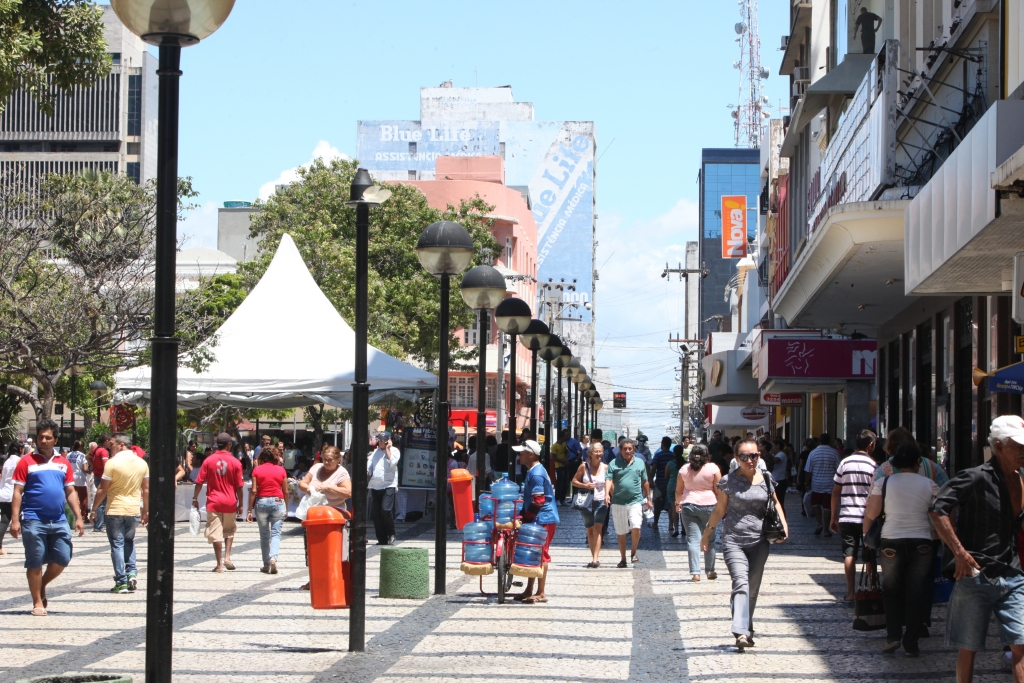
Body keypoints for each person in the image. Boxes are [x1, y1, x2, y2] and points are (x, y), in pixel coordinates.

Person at [929, 415, 1024, 682]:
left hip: (1013, 573)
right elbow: (938, 509)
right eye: (1018, 445)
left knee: (1021, 645)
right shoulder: (975, 477)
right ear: (999, 445)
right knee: (969, 648)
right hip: (977, 574)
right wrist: (959, 552)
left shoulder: (1022, 478)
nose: (1023, 451)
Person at [701, 438, 788, 651]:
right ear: (736, 458)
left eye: (754, 455)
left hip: (760, 541)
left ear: (759, 456)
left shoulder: (766, 478)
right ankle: (740, 632)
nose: (750, 460)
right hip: (733, 540)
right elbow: (720, 510)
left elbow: (775, 502)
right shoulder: (729, 481)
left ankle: (747, 627)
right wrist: (707, 533)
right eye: (745, 456)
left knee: (753, 587)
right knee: (740, 582)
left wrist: (784, 526)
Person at [861, 442, 938, 656]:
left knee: (891, 589)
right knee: (917, 591)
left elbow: (872, 514)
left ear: (894, 463)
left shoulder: (883, 484)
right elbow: (940, 516)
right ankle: (911, 641)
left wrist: (866, 540)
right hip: (921, 541)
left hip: (891, 540)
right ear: (917, 462)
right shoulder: (930, 485)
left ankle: (893, 636)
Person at [9, 420, 85, 616]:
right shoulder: (26, 461)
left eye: (48, 437)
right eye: (40, 437)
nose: (43, 440)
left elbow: (70, 491)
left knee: (63, 557)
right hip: (33, 519)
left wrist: (78, 517)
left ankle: (41, 585)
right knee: (35, 561)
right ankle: (37, 602)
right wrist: (15, 520)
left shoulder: (63, 462)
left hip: (59, 520)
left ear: (56, 440)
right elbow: (17, 491)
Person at [91, 433, 149, 593]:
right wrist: (146, 510)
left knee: (117, 544)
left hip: (115, 509)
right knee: (129, 541)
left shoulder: (112, 463)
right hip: (133, 509)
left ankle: (121, 581)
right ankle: (132, 572)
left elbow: (102, 488)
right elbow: (146, 489)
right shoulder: (141, 463)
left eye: (113, 444)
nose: (110, 448)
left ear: (122, 444)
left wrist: (94, 509)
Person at [829, 429, 879, 602]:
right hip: (868, 518)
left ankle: (850, 593)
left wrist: (833, 517)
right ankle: (872, 589)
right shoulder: (874, 466)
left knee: (849, 554)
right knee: (869, 554)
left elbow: (835, 492)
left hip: (847, 516)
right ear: (871, 445)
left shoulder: (845, 463)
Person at [514, 439, 558, 603]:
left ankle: (541, 592)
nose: (519, 455)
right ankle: (529, 589)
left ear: (530, 454)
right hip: (538, 518)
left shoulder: (537, 473)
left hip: (543, 518)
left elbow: (539, 500)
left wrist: (526, 517)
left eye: (522, 452)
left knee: (542, 555)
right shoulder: (533, 470)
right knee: (534, 554)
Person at [192, 433, 243, 573]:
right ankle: (227, 557)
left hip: (214, 501)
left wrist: (195, 499)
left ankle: (219, 564)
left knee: (215, 533)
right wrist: (241, 504)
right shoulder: (236, 462)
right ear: (229, 445)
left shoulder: (209, 461)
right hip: (230, 502)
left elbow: (199, 482)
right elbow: (239, 486)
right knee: (229, 531)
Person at [677, 444, 722, 581]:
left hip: (689, 505)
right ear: (707, 455)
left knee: (693, 540)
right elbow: (718, 490)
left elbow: (679, 490)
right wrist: (721, 506)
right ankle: (710, 571)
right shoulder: (713, 468)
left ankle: (695, 573)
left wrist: (677, 503)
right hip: (710, 506)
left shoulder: (684, 469)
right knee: (710, 538)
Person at [605, 439, 652, 568]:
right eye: (625, 448)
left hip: (635, 501)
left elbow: (645, 481)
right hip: (618, 502)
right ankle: (623, 558)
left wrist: (648, 498)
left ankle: (633, 553)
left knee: (636, 526)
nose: (627, 451)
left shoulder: (640, 463)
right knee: (621, 532)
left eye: (630, 448)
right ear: (620, 450)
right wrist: (606, 494)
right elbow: (609, 479)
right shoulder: (614, 463)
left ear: (634, 450)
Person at [247, 445, 289, 574]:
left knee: (264, 535)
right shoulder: (281, 470)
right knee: (276, 533)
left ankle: (266, 564)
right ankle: (273, 558)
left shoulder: (257, 470)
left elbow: (254, 491)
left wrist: (249, 510)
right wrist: (286, 508)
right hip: (278, 501)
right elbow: (286, 491)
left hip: (262, 502)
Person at [572, 441, 608, 568]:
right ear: (590, 453)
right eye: (596, 451)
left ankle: (595, 558)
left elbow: (610, 483)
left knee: (598, 529)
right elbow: (574, 481)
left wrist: (610, 495)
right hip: (586, 502)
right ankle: (594, 556)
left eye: (600, 451)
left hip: (601, 502)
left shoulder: (605, 467)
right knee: (590, 530)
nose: (599, 454)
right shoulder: (583, 466)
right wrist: (585, 485)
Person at [874, 427, 948, 487]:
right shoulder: (932, 466)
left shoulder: (883, 470)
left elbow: (871, 499)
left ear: (889, 448)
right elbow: (946, 491)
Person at [367, 430, 400, 546]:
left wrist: (387, 449)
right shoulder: (375, 453)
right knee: (376, 514)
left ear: (388, 440)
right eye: (380, 440)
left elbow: (392, 463)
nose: (381, 443)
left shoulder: (395, 451)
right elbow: (369, 466)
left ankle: (391, 533)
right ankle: (381, 539)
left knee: (385, 510)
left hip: (389, 484)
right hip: (376, 485)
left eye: (383, 441)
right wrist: (367, 471)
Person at [804, 433, 840, 537]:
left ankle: (819, 523)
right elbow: (839, 469)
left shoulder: (813, 453)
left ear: (819, 441)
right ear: (830, 441)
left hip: (816, 484)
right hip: (830, 484)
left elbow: (808, 470)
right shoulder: (834, 453)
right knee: (827, 507)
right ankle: (825, 529)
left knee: (815, 504)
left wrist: (807, 483)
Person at [0, 442, 22, 556]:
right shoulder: (19, 461)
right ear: (20, 449)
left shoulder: (7, 461)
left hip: (4, 493)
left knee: (4, 520)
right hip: (13, 494)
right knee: (24, 518)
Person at [650, 436, 676, 530]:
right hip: (671, 483)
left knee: (657, 503)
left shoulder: (658, 455)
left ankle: (655, 523)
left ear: (662, 444)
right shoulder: (673, 455)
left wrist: (650, 479)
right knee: (670, 504)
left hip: (660, 483)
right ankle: (670, 525)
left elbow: (654, 468)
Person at [90, 433, 112, 531]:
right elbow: (106, 465)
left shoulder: (96, 450)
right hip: (103, 477)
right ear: (106, 441)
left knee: (101, 500)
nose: (111, 443)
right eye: (110, 441)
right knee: (102, 502)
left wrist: (94, 466)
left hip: (97, 476)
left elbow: (87, 457)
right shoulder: (103, 451)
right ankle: (99, 525)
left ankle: (100, 524)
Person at [666, 445, 686, 537]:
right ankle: (683, 529)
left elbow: (666, 476)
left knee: (674, 509)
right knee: (682, 508)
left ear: (674, 453)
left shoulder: (669, 463)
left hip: (672, 484)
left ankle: (676, 529)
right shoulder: (686, 464)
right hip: (683, 486)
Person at [550, 429, 571, 506]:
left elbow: (567, 452)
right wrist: (563, 461)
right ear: (561, 437)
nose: (567, 437)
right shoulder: (554, 446)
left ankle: (562, 499)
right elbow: (553, 457)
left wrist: (566, 459)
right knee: (559, 483)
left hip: (565, 465)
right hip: (559, 466)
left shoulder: (564, 444)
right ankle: (557, 499)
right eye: (566, 435)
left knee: (566, 483)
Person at [769, 438, 788, 518]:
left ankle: (782, 518)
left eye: (773, 446)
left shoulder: (781, 454)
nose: (771, 447)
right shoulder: (774, 455)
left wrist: (768, 454)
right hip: (773, 480)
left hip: (779, 481)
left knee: (779, 501)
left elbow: (777, 460)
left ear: (778, 446)